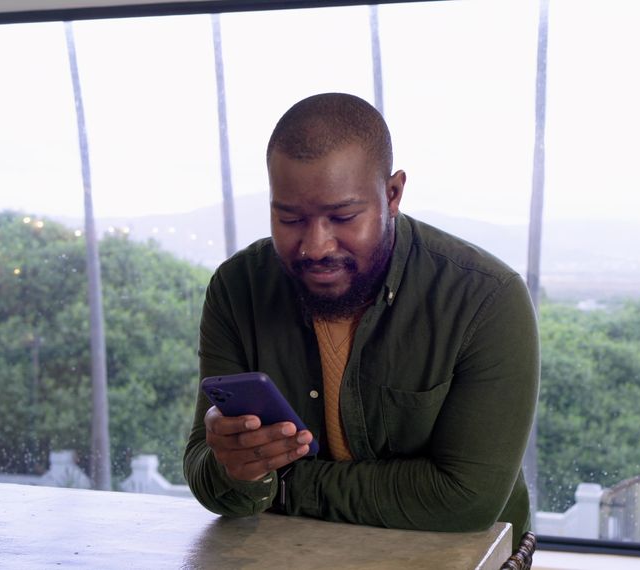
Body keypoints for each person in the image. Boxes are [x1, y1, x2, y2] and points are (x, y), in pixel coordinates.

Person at [183, 92, 539, 540]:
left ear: (392, 194)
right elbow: (207, 472)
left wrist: (283, 483)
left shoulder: (486, 298)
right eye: (289, 219)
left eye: (343, 216)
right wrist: (233, 467)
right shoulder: (238, 289)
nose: (315, 246)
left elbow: (464, 499)